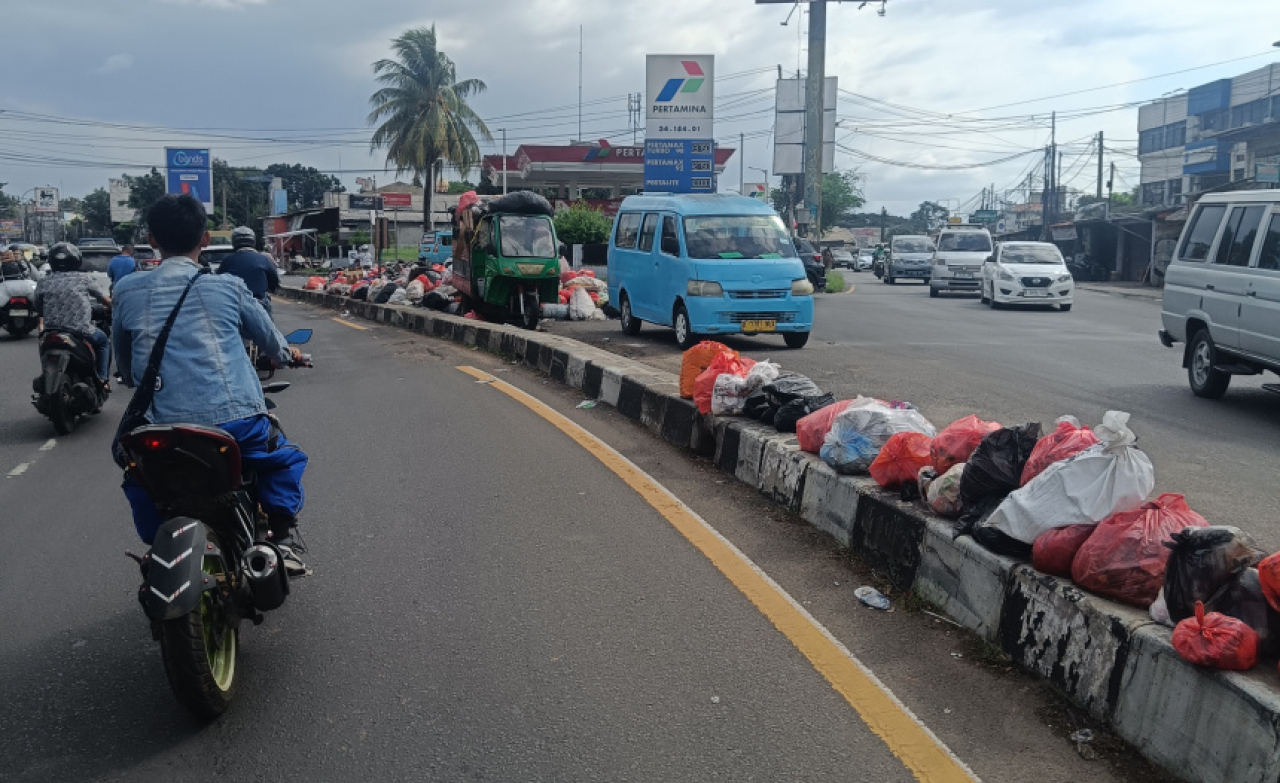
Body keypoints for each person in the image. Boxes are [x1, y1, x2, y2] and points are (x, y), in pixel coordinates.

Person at [112, 195, 309, 575]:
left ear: (152, 239)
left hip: (159, 425)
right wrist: (291, 354)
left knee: (138, 472)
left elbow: (125, 364)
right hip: (235, 422)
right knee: (280, 456)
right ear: (204, 239)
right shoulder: (229, 287)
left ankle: (159, 546)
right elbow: (272, 343)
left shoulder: (128, 290)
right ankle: (282, 539)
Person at [33, 243, 112, 389]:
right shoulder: (84, 278)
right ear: (76, 260)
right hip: (81, 331)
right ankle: (102, 379)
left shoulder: (43, 281)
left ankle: (45, 375)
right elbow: (104, 300)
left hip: (51, 332)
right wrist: (113, 307)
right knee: (103, 343)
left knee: (43, 346)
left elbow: (38, 306)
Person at [215, 226, 280, 316]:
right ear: (253, 241)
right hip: (259, 303)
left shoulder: (228, 261)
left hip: (234, 304)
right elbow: (274, 281)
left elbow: (218, 282)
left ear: (234, 242)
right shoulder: (263, 259)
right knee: (269, 329)